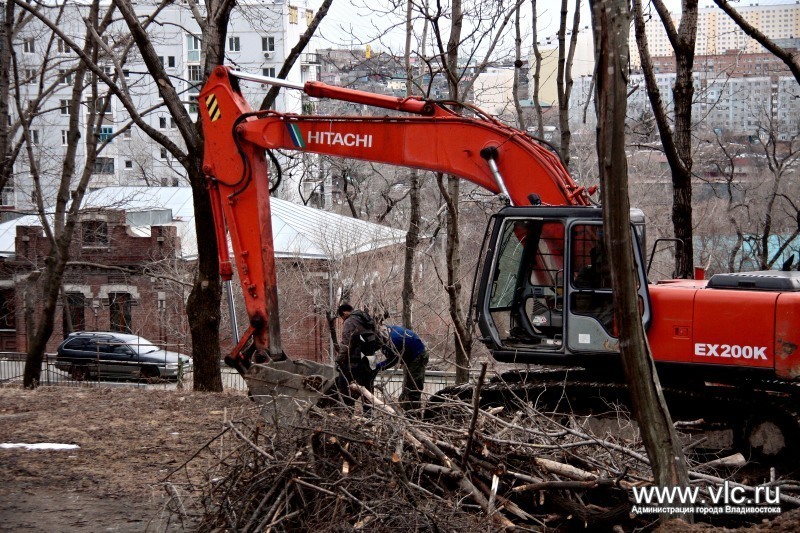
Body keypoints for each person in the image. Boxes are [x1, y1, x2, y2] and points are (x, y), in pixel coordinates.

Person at [335, 304, 381, 411]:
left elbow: (346, 344)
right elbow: (380, 341)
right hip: (371, 360)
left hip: (354, 361)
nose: (343, 320)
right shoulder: (369, 320)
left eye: (342, 317)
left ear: (345, 313)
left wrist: (338, 360)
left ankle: (346, 415)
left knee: (344, 387)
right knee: (368, 390)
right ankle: (369, 418)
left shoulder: (350, 321)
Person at [379, 325, 429, 414]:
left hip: (417, 356)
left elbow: (392, 361)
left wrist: (377, 367)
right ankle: (406, 409)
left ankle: (412, 416)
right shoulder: (385, 330)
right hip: (409, 355)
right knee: (407, 386)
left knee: (413, 387)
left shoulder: (395, 340)